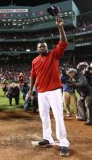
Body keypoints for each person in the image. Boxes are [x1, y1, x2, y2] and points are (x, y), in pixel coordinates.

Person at [29, 17, 70, 156]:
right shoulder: (34, 60)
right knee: (44, 116)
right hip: (41, 92)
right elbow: (33, 76)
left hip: (54, 91)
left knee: (58, 116)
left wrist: (60, 28)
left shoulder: (54, 54)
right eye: (40, 47)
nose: (42, 48)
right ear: (37, 49)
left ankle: (63, 142)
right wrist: (30, 90)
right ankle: (47, 138)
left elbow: (63, 42)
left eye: (44, 46)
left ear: (47, 47)